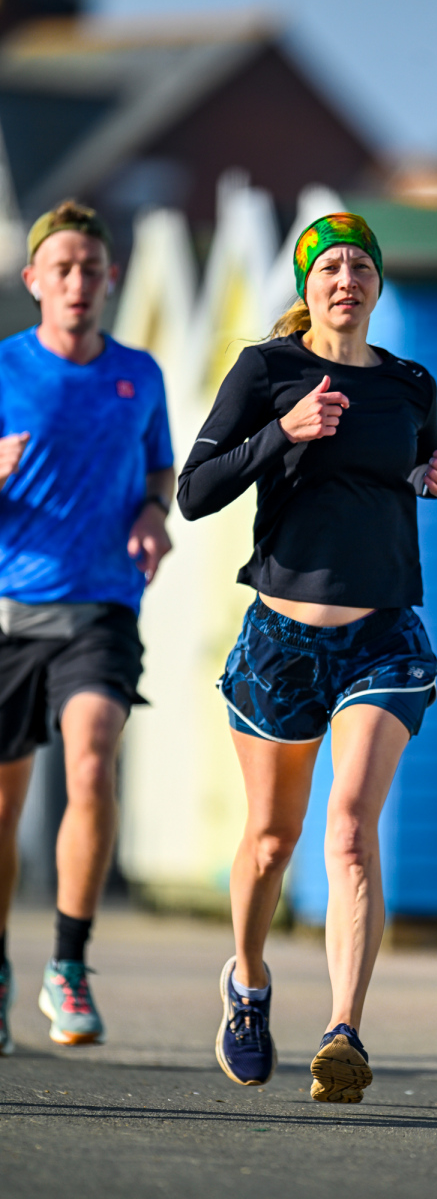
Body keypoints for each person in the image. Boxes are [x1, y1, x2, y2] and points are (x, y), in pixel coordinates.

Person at [178, 212, 437, 1102]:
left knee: (348, 830)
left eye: (360, 266)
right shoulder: (269, 371)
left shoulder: (411, 384)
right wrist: (284, 432)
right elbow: (194, 492)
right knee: (272, 840)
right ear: (307, 285)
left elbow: (403, 473)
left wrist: (431, 480)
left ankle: (344, 1032)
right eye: (329, 265)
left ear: (378, 284)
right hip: (282, 643)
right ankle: (248, 984)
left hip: (382, 637)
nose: (346, 278)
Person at [0, 201, 174, 1053]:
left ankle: (68, 964)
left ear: (112, 279)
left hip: (104, 605)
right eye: (62, 269)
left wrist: (152, 511)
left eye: (91, 270)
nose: (78, 283)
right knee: (4, 806)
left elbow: (160, 469)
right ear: (34, 279)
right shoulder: (4, 368)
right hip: (11, 611)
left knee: (94, 755)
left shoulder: (140, 374)